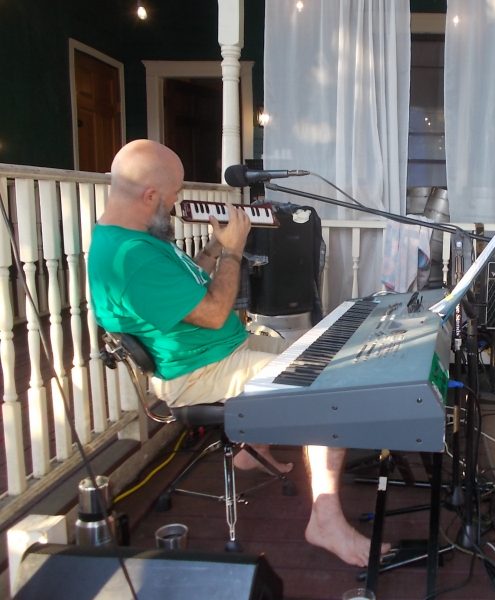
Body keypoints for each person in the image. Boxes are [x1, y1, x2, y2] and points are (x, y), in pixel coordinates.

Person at [88, 139, 388, 567]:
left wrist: (214, 248)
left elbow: (187, 290)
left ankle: (251, 449)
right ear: (150, 195)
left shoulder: (134, 238)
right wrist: (233, 250)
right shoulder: (130, 257)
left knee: (323, 353)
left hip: (222, 350)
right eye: (174, 194)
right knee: (326, 395)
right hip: (200, 372)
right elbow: (213, 313)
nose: (176, 202)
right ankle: (325, 523)